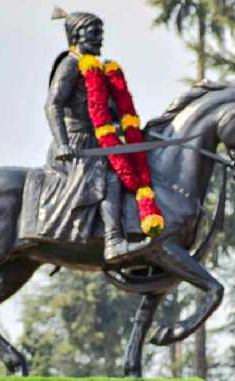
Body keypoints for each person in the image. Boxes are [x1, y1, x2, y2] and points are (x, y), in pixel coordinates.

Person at [45, 9, 153, 263]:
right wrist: (62, 143)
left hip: (100, 141)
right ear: (76, 35)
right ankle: (114, 241)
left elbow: (107, 110)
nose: (100, 39)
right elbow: (53, 105)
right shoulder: (70, 64)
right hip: (76, 143)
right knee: (111, 179)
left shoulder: (100, 68)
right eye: (94, 33)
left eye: (101, 33)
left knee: (134, 170)